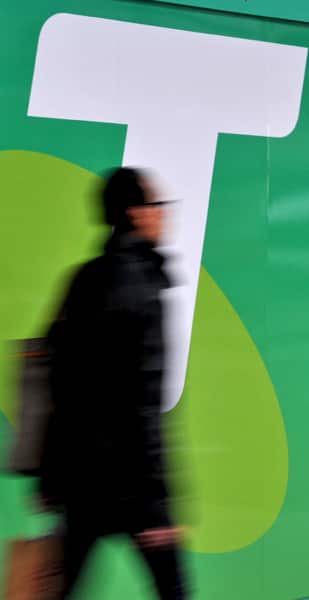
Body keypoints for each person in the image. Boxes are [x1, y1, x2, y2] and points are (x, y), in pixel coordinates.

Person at [38, 167, 188, 599]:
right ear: (135, 214)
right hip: (131, 485)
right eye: (156, 206)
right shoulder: (143, 289)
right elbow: (143, 407)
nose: (164, 215)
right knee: (173, 591)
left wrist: (50, 477)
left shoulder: (83, 280)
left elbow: (57, 385)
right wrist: (159, 505)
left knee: (61, 590)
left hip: (81, 481)